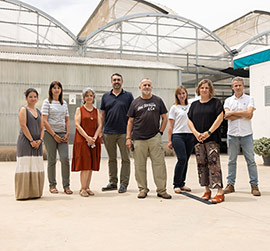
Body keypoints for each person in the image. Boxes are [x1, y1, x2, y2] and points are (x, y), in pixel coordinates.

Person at [126, 78, 171, 199]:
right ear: (140, 87)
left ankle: (161, 190)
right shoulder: (135, 103)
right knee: (139, 165)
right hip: (138, 139)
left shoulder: (158, 101)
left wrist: (160, 133)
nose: (146, 87)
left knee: (159, 164)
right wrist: (128, 138)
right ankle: (142, 189)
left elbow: (165, 118)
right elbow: (130, 121)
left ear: (151, 87)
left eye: (149, 85)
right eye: (144, 85)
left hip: (154, 138)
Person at [188, 79, 224, 204]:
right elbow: (189, 120)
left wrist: (209, 132)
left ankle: (219, 192)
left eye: (206, 88)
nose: (204, 90)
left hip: (211, 139)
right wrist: (196, 133)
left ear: (210, 90)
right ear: (198, 89)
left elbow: (220, 117)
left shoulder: (215, 103)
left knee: (214, 165)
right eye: (202, 88)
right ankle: (207, 190)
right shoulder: (194, 105)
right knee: (201, 165)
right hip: (198, 140)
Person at [223, 77, 261, 196]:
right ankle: (230, 184)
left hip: (246, 134)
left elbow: (249, 113)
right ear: (232, 87)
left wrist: (233, 113)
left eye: (240, 85)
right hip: (232, 134)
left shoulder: (250, 99)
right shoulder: (228, 101)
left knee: (251, 161)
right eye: (236, 85)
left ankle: (254, 185)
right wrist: (243, 114)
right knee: (231, 161)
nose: (238, 87)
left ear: (243, 86)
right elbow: (226, 116)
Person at [100, 73, 134, 193]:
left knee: (125, 159)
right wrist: (100, 131)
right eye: (114, 80)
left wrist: (131, 134)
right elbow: (102, 115)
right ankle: (113, 182)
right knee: (111, 159)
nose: (116, 81)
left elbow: (132, 116)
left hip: (124, 133)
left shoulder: (128, 96)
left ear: (122, 82)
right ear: (111, 82)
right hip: (108, 132)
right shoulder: (105, 97)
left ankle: (124, 183)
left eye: (118, 79)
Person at [41, 81, 73, 195]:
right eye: (54, 88)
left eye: (58, 87)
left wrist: (67, 133)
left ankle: (66, 185)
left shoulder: (63, 103)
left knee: (65, 158)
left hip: (63, 134)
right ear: (51, 90)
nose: (56, 90)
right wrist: (54, 135)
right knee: (52, 159)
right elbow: (44, 120)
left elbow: (67, 120)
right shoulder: (46, 102)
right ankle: (52, 185)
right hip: (50, 134)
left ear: (61, 90)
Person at [72, 88, 102, 197]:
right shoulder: (79, 110)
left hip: (93, 140)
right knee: (85, 165)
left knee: (91, 165)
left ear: (94, 98)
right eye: (87, 95)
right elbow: (77, 125)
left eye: (91, 96)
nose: (89, 97)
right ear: (83, 98)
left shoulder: (96, 111)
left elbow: (100, 125)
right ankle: (82, 188)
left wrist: (94, 137)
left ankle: (88, 187)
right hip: (82, 140)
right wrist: (87, 137)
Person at [15, 88, 44, 200]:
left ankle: (35, 192)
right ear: (26, 98)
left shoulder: (39, 111)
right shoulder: (23, 110)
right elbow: (23, 125)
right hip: (26, 142)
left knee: (35, 165)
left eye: (35, 97)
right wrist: (31, 140)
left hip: (38, 143)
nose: (33, 99)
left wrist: (40, 140)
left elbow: (42, 128)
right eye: (30, 97)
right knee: (25, 165)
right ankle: (23, 193)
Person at [168, 86, 193, 194]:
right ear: (177, 96)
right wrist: (169, 140)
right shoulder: (174, 108)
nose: (182, 95)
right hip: (178, 136)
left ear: (186, 94)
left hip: (190, 135)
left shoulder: (191, 106)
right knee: (182, 159)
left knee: (186, 160)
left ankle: (182, 183)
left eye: (183, 93)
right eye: (180, 94)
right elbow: (170, 126)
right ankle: (176, 184)